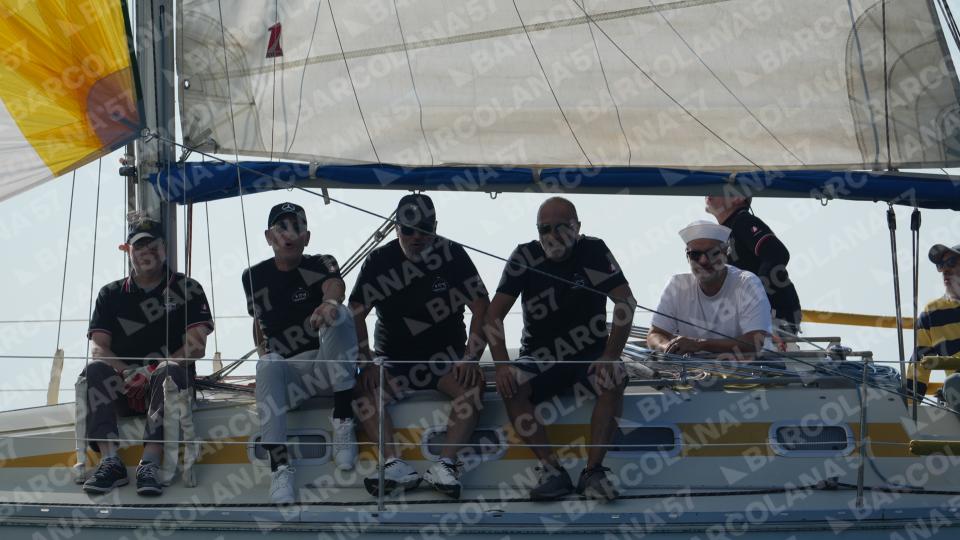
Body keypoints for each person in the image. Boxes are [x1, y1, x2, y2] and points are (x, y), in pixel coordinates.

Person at [485, 197, 635, 502]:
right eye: (545, 229)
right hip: (539, 357)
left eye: (561, 228)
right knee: (511, 385)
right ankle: (552, 470)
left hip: (589, 356)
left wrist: (610, 355)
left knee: (614, 377)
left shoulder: (593, 251)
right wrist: (501, 366)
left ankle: (593, 472)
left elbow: (626, 302)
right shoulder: (524, 254)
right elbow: (493, 315)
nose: (552, 235)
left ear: (577, 227)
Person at [349, 194, 489, 500]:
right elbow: (356, 310)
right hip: (393, 360)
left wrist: (471, 357)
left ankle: (445, 465)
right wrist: (366, 362)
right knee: (361, 390)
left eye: (424, 229)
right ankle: (394, 464)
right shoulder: (379, 261)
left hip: (446, 358)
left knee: (473, 387)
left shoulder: (452, 254)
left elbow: (481, 306)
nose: (416, 237)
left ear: (435, 228)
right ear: (396, 228)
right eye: (408, 229)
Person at [82, 218, 213, 496]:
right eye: (139, 246)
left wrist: (152, 371)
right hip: (124, 386)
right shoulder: (110, 294)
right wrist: (129, 373)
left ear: (164, 248)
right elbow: (98, 347)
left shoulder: (188, 288)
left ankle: (149, 464)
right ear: (127, 250)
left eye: (153, 245)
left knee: (168, 371)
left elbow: (197, 345)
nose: (147, 251)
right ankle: (110, 462)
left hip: (169, 385)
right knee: (94, 370)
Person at [242, 202, 359, 505]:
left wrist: (328, 303)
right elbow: (259, 323)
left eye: (297, 227)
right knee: (267, 363)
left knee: (339, 314)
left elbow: (335, 286)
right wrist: (264, 369)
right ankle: (280, 467)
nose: (289, 234)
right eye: (281, 228)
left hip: (325, 366)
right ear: (269, 236)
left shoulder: (322, 263)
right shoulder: (253, 276)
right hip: (289, 375)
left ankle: (343, 418)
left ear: (307, 237)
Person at [646, 220, 772, 357]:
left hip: (749, 368)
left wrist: (700, 344)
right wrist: (668, 347)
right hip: (690, 369)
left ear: (725, 253)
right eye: (695, 255)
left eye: (712, 253)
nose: (703, 261)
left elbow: (754, 342)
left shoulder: (748, 283)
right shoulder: (677, 285)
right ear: (687, 257)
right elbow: (655, 334)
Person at [705, 194, 802, 340]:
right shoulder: (726, 233)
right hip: (753, 319)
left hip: (773, 317)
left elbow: (777, 253)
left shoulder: (743, 221)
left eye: (717, 187)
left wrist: (755, 293)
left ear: (738, 197)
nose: (709, 192)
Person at [907, 243, 960, 405]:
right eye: (940, 265)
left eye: (951, 262)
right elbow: (919, 365)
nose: (945, 269)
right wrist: (906, 410)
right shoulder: (932, 313)